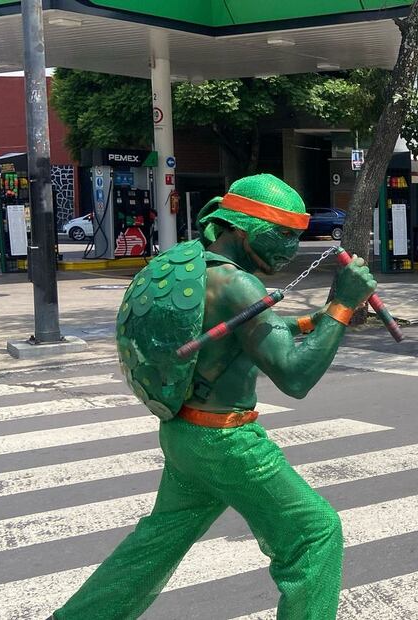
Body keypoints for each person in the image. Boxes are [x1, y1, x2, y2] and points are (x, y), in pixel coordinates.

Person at [53, 174, 377, 620]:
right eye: (281, 234)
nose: (289, 248)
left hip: (184, 431)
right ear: (241, 227)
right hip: (225, 441)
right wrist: (342, 303)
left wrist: (320, 321)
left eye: (296, 237)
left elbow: (250, 334)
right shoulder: (238, 286)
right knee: (314, 534)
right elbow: (295, 376)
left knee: (154, 547)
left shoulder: (199, 268)